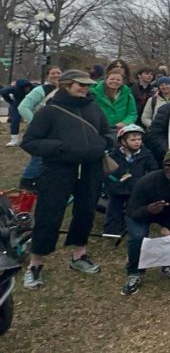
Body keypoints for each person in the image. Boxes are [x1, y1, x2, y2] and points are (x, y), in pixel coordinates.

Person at [20, 69, 114, 290]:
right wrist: (60, 147)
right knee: (49, 214)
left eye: (88, 85)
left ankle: (79, 255)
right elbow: (30, 142)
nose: (85, 89)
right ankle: (35, 264)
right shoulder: (49, 111)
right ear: (66, 85)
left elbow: (107, 132)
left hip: (90, 169)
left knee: (85, 211)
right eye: (80, 85)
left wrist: (103, 144)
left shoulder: (93, 107)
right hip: (58, 169)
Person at [122, 142, 170, 296]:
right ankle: (135, 272)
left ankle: (169, 265)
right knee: (138, 237)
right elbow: (131, 211)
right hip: (142, 211)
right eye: (169, 165)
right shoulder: (146, 181)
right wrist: (148, 210)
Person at [103, 124, 158, 237]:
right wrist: (112, 181)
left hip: (136, 188)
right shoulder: (114, 154)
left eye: (139, 139)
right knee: (114, 209)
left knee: (134, 210)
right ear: (123, 141)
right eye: (133, 139)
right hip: (117, 187)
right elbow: (107, 171)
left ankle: (132, 229)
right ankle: (111, 231)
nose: (137, 142)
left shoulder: (146, 155)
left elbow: (153, 169)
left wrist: (145, 182)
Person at [1, 78, 34, 146]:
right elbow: (3, 92)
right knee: (15, 119)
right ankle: (14, 139)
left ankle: (33, 137)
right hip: (18, 104)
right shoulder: (13, 89)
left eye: (28, 87)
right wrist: (10, 102)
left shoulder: (33, 87)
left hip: (31, 104)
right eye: (25, 87)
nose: (27, 89)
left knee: (34, 119)